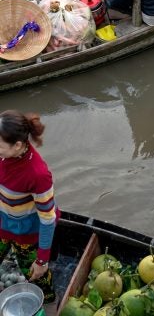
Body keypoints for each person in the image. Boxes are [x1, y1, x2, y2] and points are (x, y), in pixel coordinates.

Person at [0, 111, 58, 303]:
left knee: (35, 274)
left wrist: (42, 260)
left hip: (26, 233)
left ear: (17, 145)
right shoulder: (4, 156)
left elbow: (48, 219)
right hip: (3, 222)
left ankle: (48, 302)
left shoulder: (37, 175)